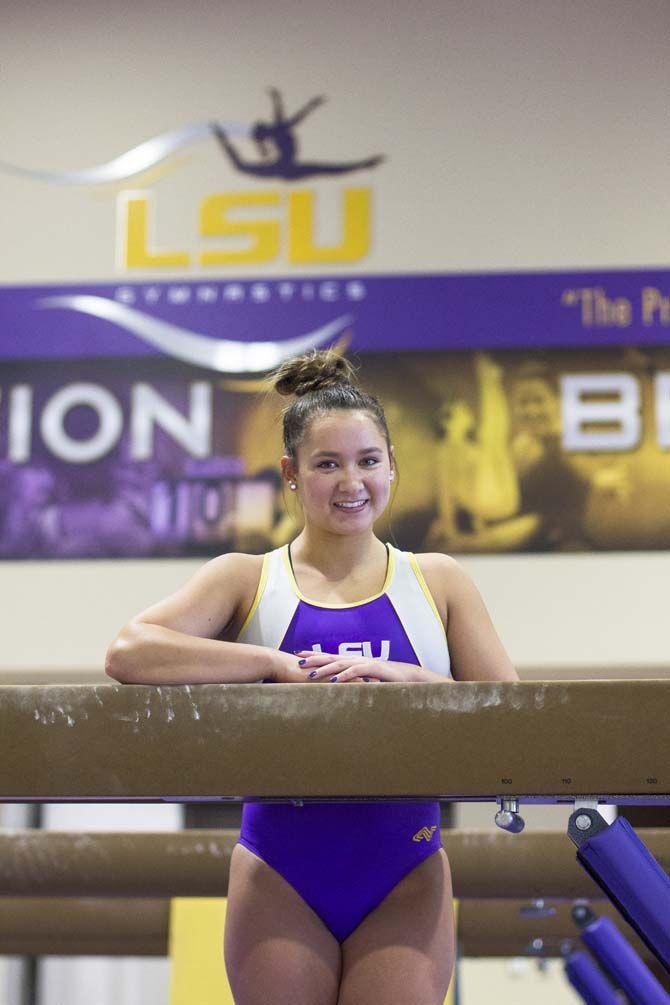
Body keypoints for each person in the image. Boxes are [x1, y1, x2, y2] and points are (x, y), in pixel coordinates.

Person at [105, 349, 518, 1005]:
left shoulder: (438, 582)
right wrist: (270, 663)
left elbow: (515, 721)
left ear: (393, 468)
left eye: (368, 460)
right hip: (281, 869)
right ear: (290, 474)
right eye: (327, 463)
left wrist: (412, 681)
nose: (350, 480)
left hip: (403, 868)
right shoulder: (246, 579)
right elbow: (129, 650)